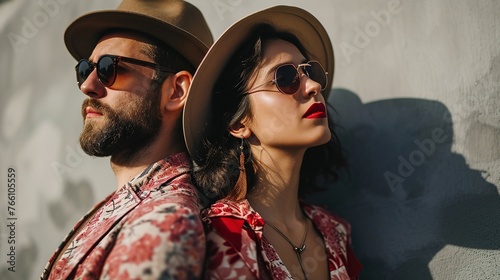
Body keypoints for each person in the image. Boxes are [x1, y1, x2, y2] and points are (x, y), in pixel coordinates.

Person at [183, 5, 362, 280]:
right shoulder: (221, 235)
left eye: (310, 71)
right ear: (238, 123)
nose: (313, 86)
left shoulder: (335, 231)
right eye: (285, 78)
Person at [41, 0, 213, 279]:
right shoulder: (133, 204)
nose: (88, 86)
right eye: (86, 69)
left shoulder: (162, 223)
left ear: (176, 92)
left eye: (110, 68)